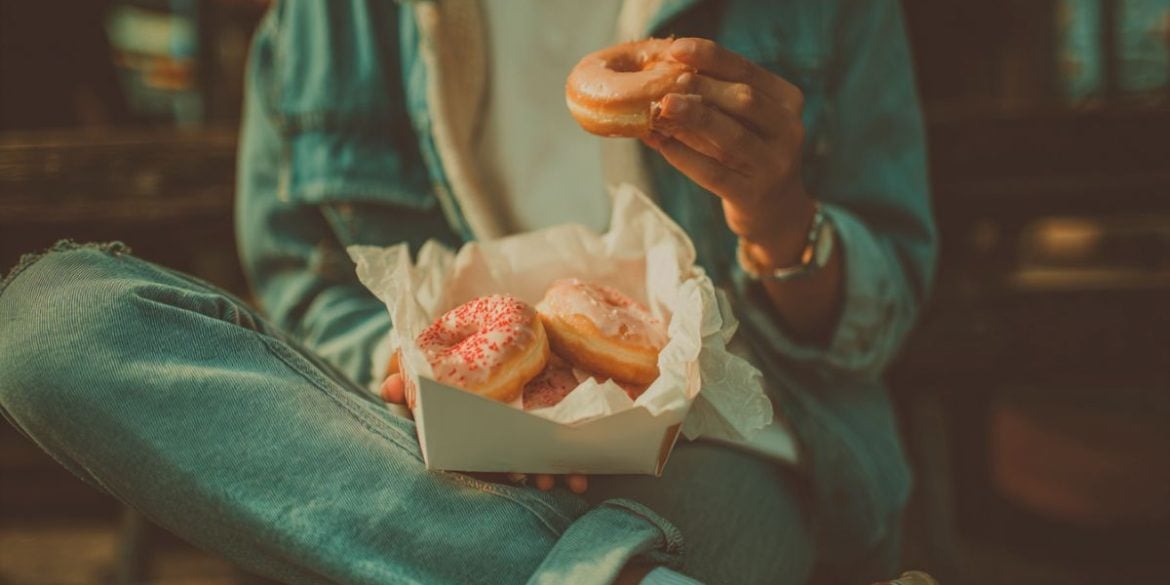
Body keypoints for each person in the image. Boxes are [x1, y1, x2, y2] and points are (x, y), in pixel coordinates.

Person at [0, 1, 936, 584]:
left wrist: (776, 212)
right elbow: (306, 279)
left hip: (713, 440)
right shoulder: (328, 19)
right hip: (413, 443)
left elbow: (887, 290)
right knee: (53, 328)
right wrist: (425, 380)